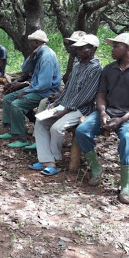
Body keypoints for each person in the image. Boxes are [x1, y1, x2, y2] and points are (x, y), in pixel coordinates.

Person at [75, 33, 129, 204]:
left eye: (116, 46)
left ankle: (126, 184)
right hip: (109, 112)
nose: (112, 50)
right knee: (82, 131)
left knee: (127, 137)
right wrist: (103, 113)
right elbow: (101, 95)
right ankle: (96, 168)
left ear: (128, 49)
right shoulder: (109, 69)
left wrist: (122, 119)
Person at [28, 34, 102, 175]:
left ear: (92, 49)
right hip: (66, 105)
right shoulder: (77, 66)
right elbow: (68, 88)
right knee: (40, 122)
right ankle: (47, 161)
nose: (78, 51)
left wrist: (64, 110)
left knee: (57, 128)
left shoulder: (95, 69)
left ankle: (55, 159)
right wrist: (57, 102)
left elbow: (86, 96)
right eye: (78, 48)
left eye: (82, 48)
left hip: (81, 109)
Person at [0, 30, 61, 148]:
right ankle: (12, 130)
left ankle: (20, 138)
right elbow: (25, 69)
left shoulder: (47, 57)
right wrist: (31, 57)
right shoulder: (38, 54)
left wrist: (26, 90)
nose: (29, 45)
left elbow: (44, 85)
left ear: (37, 43)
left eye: (32, 42)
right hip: (37, 89)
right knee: (8, 98)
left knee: (17, 104)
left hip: (46, 92)